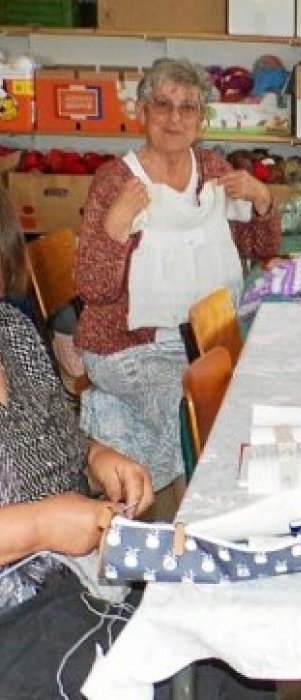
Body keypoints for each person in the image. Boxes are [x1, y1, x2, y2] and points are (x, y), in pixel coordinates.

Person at [75, 58, 280, 519]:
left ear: (201, 119)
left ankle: (115, 433)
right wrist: (115, 225)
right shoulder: (116, 181)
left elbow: (258, 247)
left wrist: (263, 200)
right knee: (199, 405)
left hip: (205, 337)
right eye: (163, 105)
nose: (174, 117)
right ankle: (197, 516)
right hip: (128, 347)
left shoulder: (212, 170)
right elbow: (93, 289)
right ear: (143, 112)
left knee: (265, 382)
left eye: (188, 107)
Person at [0, 188, 156, 697]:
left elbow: (54, 433)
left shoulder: (13, 332)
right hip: (16, 612)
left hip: (74, 575)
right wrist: (39, 526)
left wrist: (95, 458)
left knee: (216, 645)